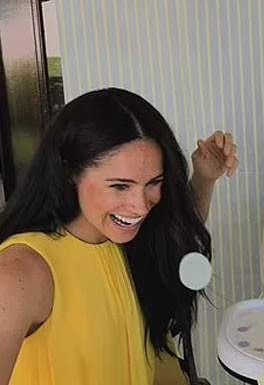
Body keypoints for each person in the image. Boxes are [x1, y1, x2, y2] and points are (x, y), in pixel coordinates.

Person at [0, 88, 237, 385]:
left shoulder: (121, 236)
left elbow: (176, 234)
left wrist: (204, 178)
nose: (140, 206)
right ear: (70, 174)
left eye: (154, 182)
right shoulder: (21, 272)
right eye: (120, 186)